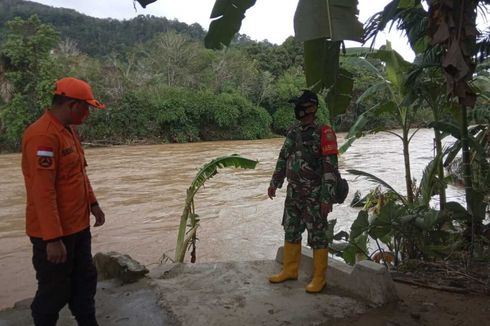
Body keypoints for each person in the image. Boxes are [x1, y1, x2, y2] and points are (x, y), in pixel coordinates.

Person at [21, 77, 106, 325]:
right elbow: (42, 191)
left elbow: (79, 173)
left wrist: (93, 204)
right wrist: (53, 239)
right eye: (86, 107)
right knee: (54, 290)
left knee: (85, 280)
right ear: (71, 104)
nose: (88, 113)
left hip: (78, 226)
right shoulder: (43, 137)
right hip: (54, 234)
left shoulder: (68, 131)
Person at [267, 89, 339, 293]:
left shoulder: (324, 133)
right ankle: (290, 271)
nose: (297, 109)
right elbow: (283, 158)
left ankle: (319, 278)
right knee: (290, 230)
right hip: (294, 193)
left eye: (300, 105)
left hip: (315, 194)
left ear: (312, 108)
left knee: (317, 235)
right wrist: (275, 182)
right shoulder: (293, 132)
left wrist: (327, 197)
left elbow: (330, 168)